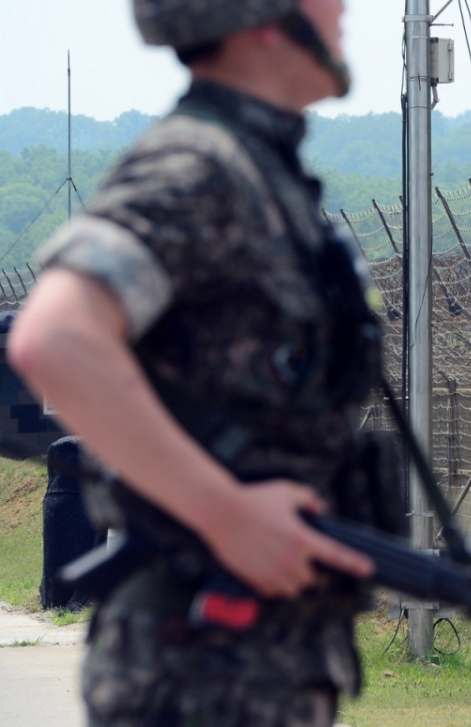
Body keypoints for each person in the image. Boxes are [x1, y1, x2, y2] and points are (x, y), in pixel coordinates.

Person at [8, 1, 405, 724]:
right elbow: (55, 336)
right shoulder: (197, 167)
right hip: (196, 667)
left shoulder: (261, 173)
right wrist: (225, 513)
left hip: (253, 661)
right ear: (260, 17)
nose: (343, 6)